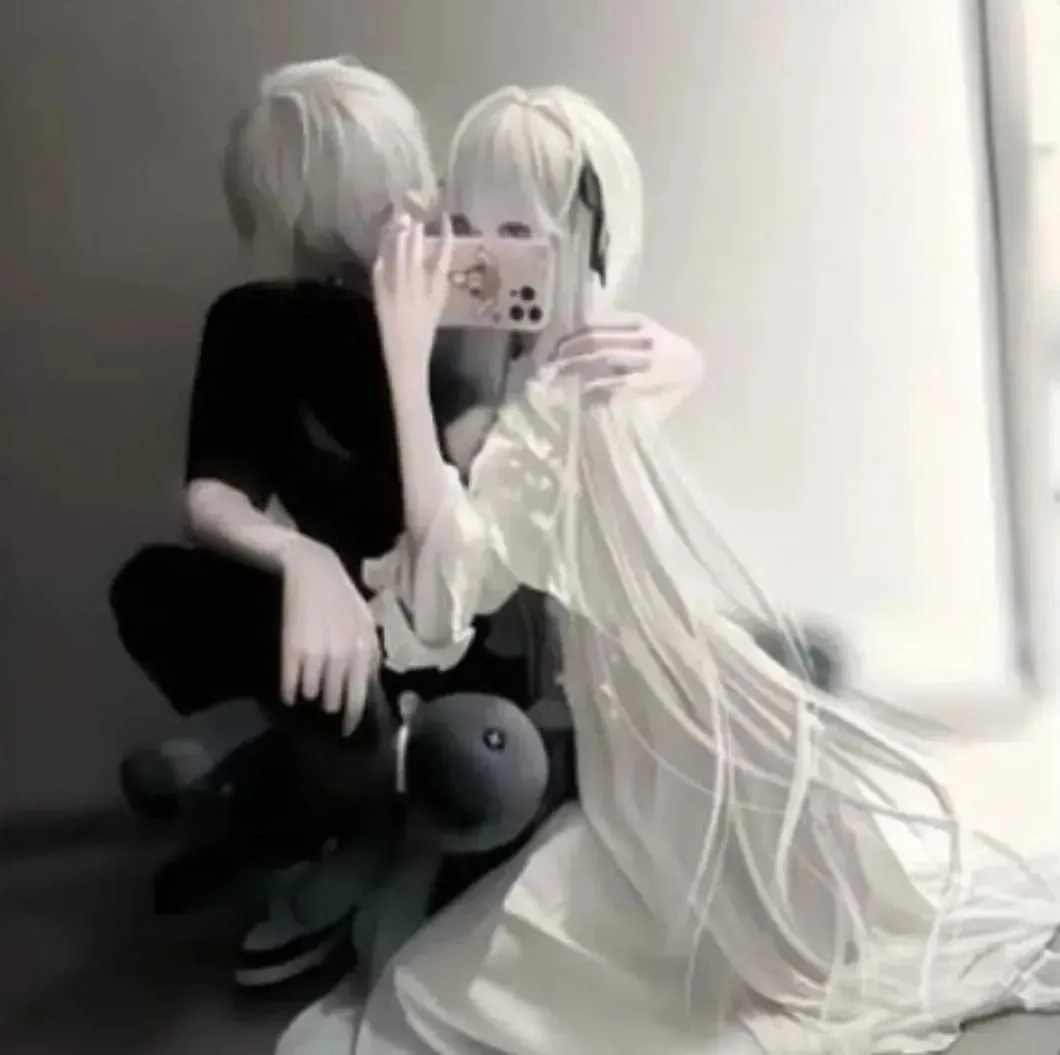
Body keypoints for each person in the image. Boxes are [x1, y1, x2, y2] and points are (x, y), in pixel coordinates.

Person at [284, 85, 1060, 1054]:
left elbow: (442, 600)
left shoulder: (560, 400)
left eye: (518, 230)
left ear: (577, 235)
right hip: (661, 701)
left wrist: (402, 364)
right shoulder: (563, 373)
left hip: (651, 723)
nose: (488, 255)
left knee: (469, 985)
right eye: (471, 224)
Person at [109, 58, 577, 989]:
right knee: (156, 586)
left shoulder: (461, 296)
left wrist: (496, 352)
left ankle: (338, 799)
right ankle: (314, 782)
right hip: (341, 626)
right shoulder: (258, 320)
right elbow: (212, 491)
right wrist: (301, 559)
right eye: (362, 194)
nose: (403, 205)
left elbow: (485, 494)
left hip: (450, 612)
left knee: (458, 678)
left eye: (403, 176)